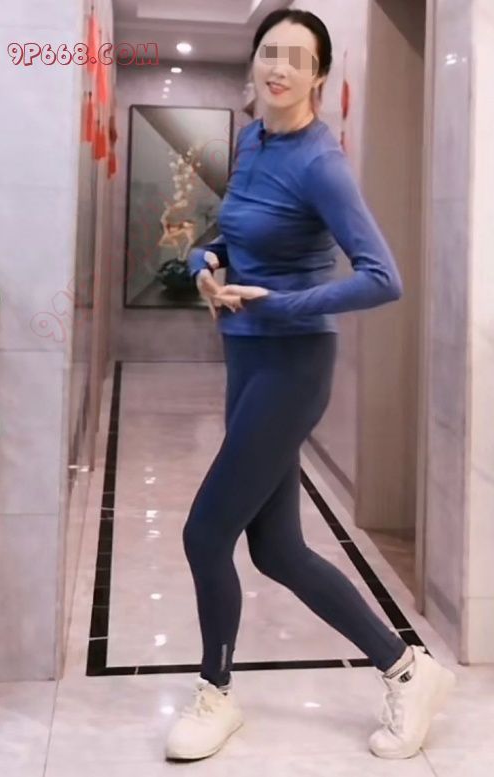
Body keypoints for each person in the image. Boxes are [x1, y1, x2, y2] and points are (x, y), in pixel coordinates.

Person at [164, 8, 454, 763]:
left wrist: (283, 304)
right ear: (254, 63)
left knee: (205, 533)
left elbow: (383, 277)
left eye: (297, 58)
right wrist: (203, 264)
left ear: (319, 74)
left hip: (292, 366)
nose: (280, 68)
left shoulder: (322, 162)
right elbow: (229, 236)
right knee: (279, 550)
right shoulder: (253, 140)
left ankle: (216, 692)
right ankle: (409, 669)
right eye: (270, 53)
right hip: (247, 358)